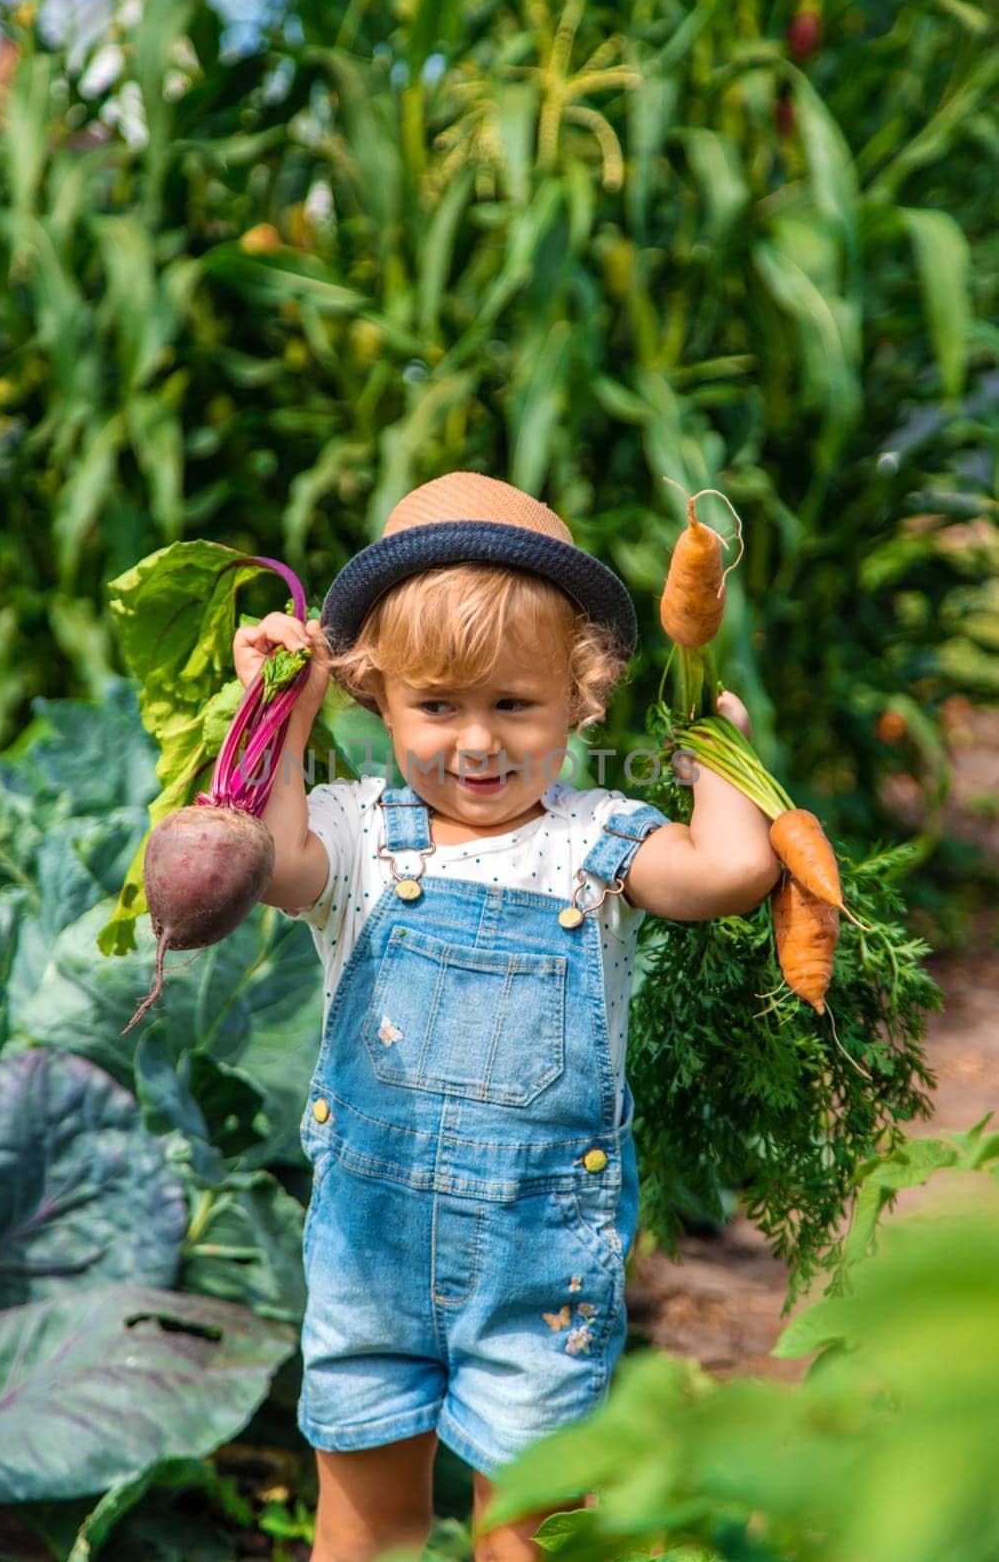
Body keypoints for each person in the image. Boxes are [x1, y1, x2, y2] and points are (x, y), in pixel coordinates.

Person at [232, 472, 780, 1562]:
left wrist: (713, 755)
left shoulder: (599, 836)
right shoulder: (353, 834)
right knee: (363, 1528)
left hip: (542, 1270)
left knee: (529, 1538)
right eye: (436, 707)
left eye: (514, 705)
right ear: (377, 698)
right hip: (368, 1262)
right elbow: (267, 863)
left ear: (578, 700)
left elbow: (727, 870)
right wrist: (275, 717)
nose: (476, 741)